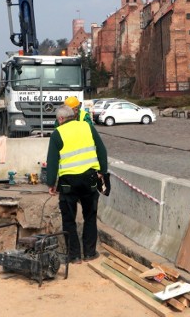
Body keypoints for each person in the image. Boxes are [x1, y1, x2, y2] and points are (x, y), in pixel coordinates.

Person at [45, 105, 108, 264]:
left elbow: (52, 161)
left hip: (68, 182)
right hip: (90, 178)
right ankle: (89, 253)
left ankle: (74, 256)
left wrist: (51, 183)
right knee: (90, 216)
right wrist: (102, 170)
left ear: (60, 119)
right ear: (73, 115)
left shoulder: (57, 133)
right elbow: (101, 149)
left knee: (68, 219)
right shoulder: (87, 126)